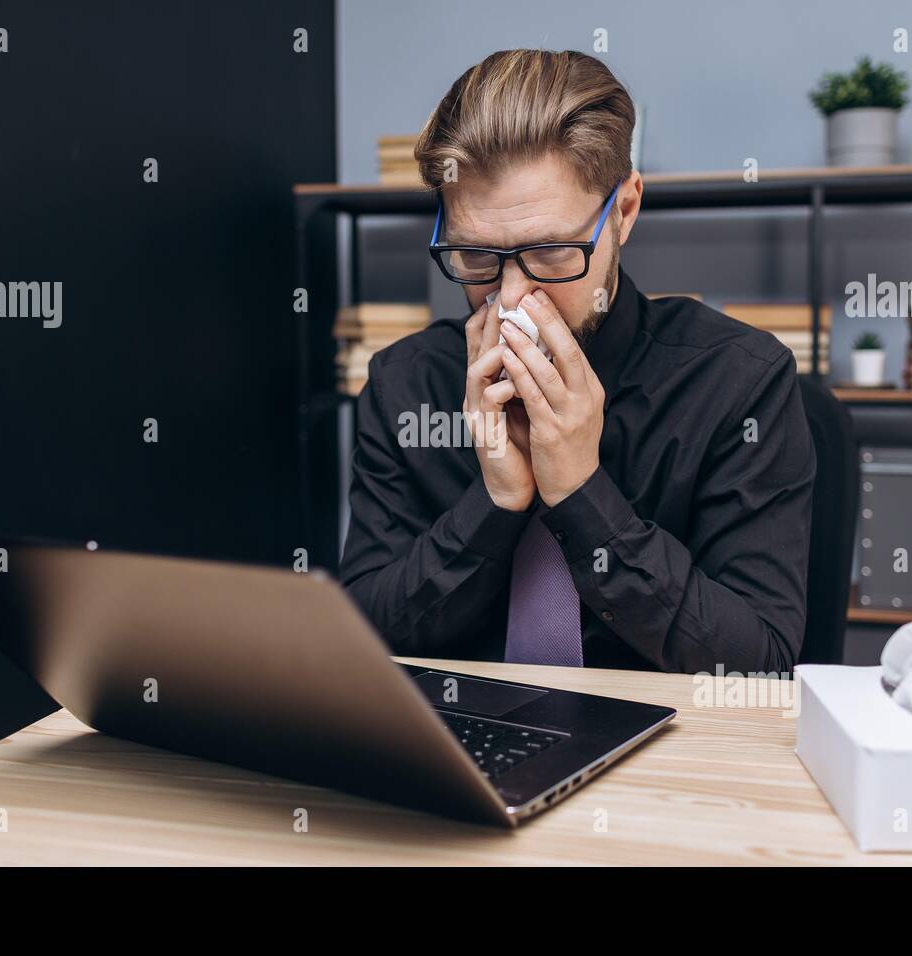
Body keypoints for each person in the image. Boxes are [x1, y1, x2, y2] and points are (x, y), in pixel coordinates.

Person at [340, 49, 815, 673]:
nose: (511, 298)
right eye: (475, 256)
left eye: (554, 251)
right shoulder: (404, 385)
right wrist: (495, 502)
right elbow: (361, 642)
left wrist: (581, 493)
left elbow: (760, 666)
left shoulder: (740, 382)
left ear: (623, 212)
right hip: (459, 750)